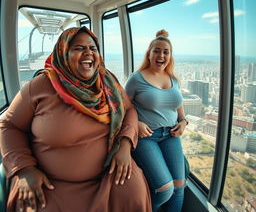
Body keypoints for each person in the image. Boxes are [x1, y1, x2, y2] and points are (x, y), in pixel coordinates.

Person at [0, 27, 151, 212]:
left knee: (135, 193)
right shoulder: (40, 86)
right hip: (52, 183)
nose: (88, 53)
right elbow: (8, 125)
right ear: (63, 53)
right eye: (79, 48)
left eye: (93, 49)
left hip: (108, 175)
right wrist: (24, 169)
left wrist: (125, 145)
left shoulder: (107, 81)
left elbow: (129, 110)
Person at [125, 30, 188, 212]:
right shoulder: (136, 78)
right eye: (157, 51)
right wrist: (135, 124)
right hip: (147, 137)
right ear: (149, 54)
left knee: (179, 187)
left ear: (170, 56)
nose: (161, 55)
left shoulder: (174, 80)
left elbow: (180, 111)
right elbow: (122, 107)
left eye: (166, 52)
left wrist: (183, 123)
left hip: (170, 136)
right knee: (164, 190)